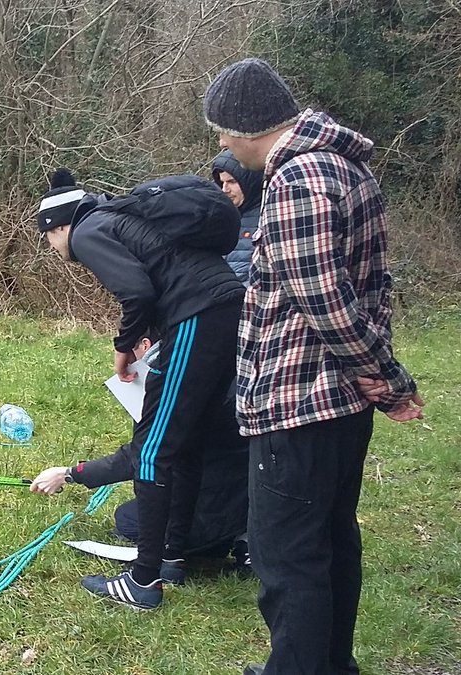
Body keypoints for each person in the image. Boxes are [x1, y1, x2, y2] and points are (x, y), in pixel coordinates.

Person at [203, 57, 425, 675]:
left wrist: (388, 378)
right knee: (331, 542)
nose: (220, 143)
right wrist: (379, 379)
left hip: (298, 401)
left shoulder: (298, 179)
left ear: (249, 128)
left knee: (287, 560)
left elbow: (324, 298)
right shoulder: (346, 167)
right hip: (341, 404)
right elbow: (373, 286)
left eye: (222, 131)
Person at [34, 168, 244, 609]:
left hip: (198, 315)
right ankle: (173, 556)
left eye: (49, 239)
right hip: (225, 309)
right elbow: (158, 277)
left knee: (153, 450)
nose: (54, 249)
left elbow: (137, 291)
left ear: (59, 227)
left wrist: (123, 347)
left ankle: (142, 582)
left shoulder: (88, 231)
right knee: (184, 443)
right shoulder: (117, 217)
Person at [31, 334, 250, 579]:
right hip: (248, 497)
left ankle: (200, 546)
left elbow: (141, 454)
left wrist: (68, 474)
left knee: (127, 519)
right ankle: (238, 537)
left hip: (214, 501)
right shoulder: (221, 372)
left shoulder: (178, 385)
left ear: (146, 346)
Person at [211, 149, 264, 284]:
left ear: (250, 181)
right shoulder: (217, 216)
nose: (225, 189)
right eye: (222, 183)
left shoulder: (267, 217)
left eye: (232, 181)